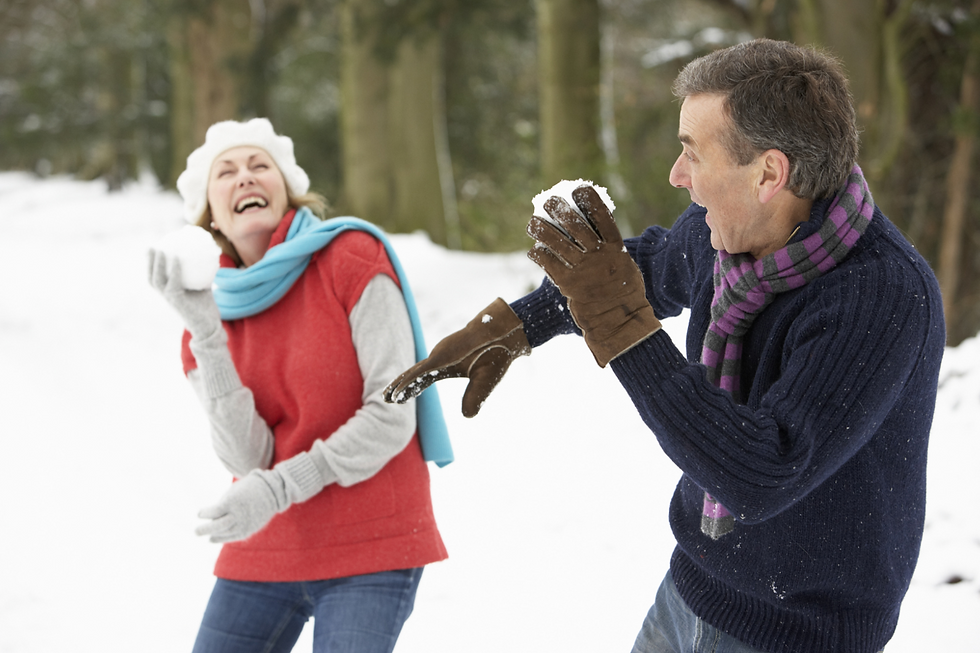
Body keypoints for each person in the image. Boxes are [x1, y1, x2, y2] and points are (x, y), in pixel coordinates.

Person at [385, 39, 945, 653]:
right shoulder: (731, 232)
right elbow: (648, 269)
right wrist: (514, 328)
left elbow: (759, 473)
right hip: (690, 592)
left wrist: (622, 327)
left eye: (692, 153)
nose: (678, 176)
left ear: (769, 173)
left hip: (795, 635)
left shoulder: (880, 298)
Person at [148, 117, 449, 653]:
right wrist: (207, 335)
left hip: (373, 540)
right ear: (209, 216)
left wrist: (280, 487)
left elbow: (393, 410)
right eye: (227, 172)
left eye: (259, 165)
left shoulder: (350, 257)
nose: (245, 177)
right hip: (268, 542)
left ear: (286, 189)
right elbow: (249, 458)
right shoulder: (206, 322)